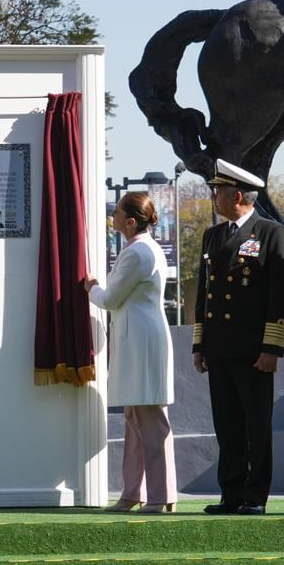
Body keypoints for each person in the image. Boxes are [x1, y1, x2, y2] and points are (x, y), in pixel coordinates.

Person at [193, 160, 284, 515]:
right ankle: (231, 492)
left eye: (218, 190)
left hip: (253, 349)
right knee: (227, 424)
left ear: (237, 195)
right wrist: (199, 344)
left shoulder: (270, 232)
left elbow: (280, 295)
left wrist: (272, 347)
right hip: (219, 347)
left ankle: (255, 495)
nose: (213, 195)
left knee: (256, 423)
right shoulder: (213, 235)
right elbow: (204, 292)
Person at [84, 191, 177, 514]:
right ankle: (134, 492)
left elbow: (110, 298)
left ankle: (158, 495)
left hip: (141, 341)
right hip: (138, 339)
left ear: (131, 221)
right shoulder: (144, 248)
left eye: (118, 213)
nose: (114, 217)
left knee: (149, 420)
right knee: (136, 418)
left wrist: (91, 287)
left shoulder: (137, 253)